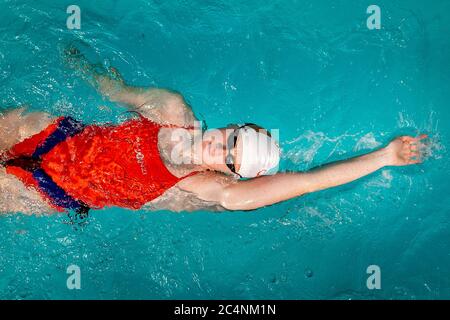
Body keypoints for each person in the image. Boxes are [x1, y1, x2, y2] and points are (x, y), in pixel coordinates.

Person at [0, 48, 428, 215]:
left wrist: (385, 157)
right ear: (231, 126)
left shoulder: (207, 188)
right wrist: (76, 59)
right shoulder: (170, 109)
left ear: (232, 174)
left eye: (229, 157)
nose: (217, 145)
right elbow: (113, 88)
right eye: (232, 138)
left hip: (54, 192)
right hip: (54, 135)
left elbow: (309, 183)